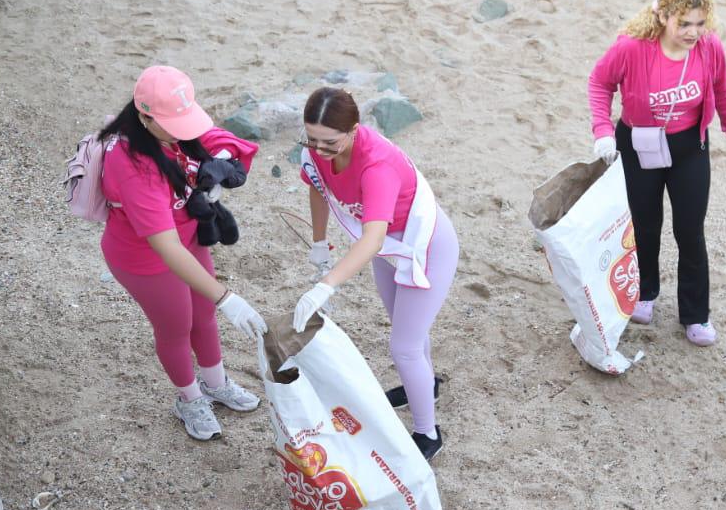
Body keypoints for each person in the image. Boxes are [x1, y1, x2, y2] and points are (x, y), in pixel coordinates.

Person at [99, 66, 267, 441]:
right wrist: (228, 297)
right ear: (144, 117)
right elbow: (165, 246)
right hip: (146, 258)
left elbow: (220, 139)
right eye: (174, 124)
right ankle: (189, 399)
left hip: (188, 237)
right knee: (176, 326)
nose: (184, 131)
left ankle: (215, 383)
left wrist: (220, 160)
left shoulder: (171, 129)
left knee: (203, 315)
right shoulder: (134, 166)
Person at [291, 87, 458, 462]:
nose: (319, 150)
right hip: (389, 251)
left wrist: (326, 285)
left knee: (404, 347)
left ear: (354, 130)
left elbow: (372, 238)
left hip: (423, 248)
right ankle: (425, 386)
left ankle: (428, 433)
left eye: (329, 142)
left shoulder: (376, 165)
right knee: (406, 329)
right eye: (311, 139)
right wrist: (319, 243)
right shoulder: (318, 151)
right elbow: (318, 188)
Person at [587, 0, 726, 346]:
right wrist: (602, 131)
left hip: (689, 146)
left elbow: (724, 90)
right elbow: (599, 83)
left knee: (690, 230)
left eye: (700, 23)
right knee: (644, 224)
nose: (693, 32)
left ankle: (695, 314)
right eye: (684, 24)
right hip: (639, 144)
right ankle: (644, 292)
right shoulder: (631, 48)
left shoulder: (709, 47)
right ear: (662, 17)